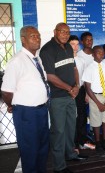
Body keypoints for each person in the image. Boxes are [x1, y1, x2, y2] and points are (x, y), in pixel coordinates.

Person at [40, 23, 87, 173]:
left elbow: (74, 68)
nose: (65, 35)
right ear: (55, 32)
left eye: (68, 32)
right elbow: (50, 76)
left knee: (70, 128)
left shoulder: (67, 47)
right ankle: (59, 166)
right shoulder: (47, 50)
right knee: (58, 131)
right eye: (62, 32)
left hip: (71, 95)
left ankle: (71, 154)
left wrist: (77, 86)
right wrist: (70, 89)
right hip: (58, 98)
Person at [1, 26, 49, 173]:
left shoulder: (36, 58)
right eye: (33, 36)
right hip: (26, 113)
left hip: (41, 110)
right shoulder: (17, 61)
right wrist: (12, 105)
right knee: (30, 150)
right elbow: (6, 91)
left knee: (42, 148)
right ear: (23, 39)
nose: (37, 39)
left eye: (38, 36)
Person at [82, 46, 105, 156]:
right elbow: (87, 87)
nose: (101, 54)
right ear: (93, 55)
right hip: (95, 97)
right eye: (98, 53)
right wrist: (98, 103)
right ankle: (98, 142)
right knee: (96, 121)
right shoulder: (89, 68)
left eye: (102, 52)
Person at [68, 35, 95, 151]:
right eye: (72, 44)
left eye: (76, 44)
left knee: (82, 116)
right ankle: (72, 144)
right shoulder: (66, 59)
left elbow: (84, 78)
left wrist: (86, 94)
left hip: (81, 91)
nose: (75, 46)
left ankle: (82, 141)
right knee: (71, 118)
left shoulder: (81, 60)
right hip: (69, 91)